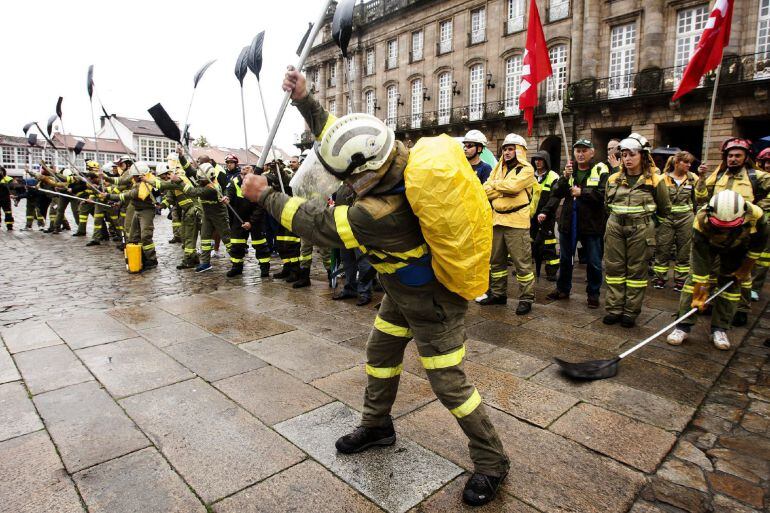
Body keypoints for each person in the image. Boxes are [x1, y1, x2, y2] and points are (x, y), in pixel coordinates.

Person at [240, 67, 510, 506]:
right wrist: (306, 99)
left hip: (434, 303)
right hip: (402, 291)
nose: (343, 184)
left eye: (346, 179)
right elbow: (341, 139)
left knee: (450, 385)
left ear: (363, 174)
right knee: (380, 354)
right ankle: (377, 425)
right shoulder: (392, 156)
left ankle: (492, 461)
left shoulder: (375, 212)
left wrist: (265, 196)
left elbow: (316, 224)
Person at [667, 190, 767, 350]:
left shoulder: (757, 216)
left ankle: (720, 329)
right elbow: (700, 258)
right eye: (721, 226)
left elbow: (758, 245)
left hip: (738, 247)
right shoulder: (701, 220)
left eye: (730, 226)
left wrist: (746, 267)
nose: (725, 230)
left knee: (731, 286)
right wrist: (701, 287)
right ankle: (683, 326)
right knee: (694, 282)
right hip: (709, 246)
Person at [694, 137, 770, 327]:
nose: (733, 159)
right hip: (718, 230)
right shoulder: (718, 176)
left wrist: (757, 208)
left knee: (742, 274)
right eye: (730, 155)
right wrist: (702, 178)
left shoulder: (756, 176)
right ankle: (710, 301)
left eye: (738, 155)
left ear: (746, 157)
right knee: (712, 271)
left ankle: (741, 309)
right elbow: (702, 197)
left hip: (744, 232)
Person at [603, 133, 671, 327]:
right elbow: (607, 205)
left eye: (631, 154)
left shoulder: (656, 181)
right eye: (624, 155)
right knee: (614, 269)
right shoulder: (614, 178)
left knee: (636, 271)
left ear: (643, 155)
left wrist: (648, 225)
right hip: (615, 226)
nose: (627, 158)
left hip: (640, 228)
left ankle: (630, 312)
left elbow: (664, 209)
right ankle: (614, 309)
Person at [542, 140, 610, 308]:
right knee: (565, 259)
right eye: (578, 151)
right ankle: (562, 288)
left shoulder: (600, 169)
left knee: (594, 261)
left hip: (591, 223)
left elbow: (604, 194)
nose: (580, 154)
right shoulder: (569, 171)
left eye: (584, 151)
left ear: (592, 152)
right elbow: (556, 191)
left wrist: (583, 192)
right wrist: (565, 178)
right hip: (569, 222)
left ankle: (593, 294)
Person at [476, 134, 536, 314]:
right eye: (505, 149)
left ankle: (526, 298)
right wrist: (502, 188)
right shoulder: (497, 168)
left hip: (517, 222)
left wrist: (497, 186)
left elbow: (514, 187)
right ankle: (498, 294)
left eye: (511, 149)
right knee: (496, 262)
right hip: (497, 220)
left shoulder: (526, 169)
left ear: (520, 151)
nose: (507, 152)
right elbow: (484, 190)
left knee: (522, 264)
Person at [101, 162, 162, 269]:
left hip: (146, 212)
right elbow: (122, 182)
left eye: (134, 175)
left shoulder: (146, 185)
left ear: (139, 176)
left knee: (145, 236)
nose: (132, 177)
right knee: (134, 236)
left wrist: (109, 196)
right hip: (137, 210)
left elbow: (128, 195)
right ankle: (140, 256)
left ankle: (152, 259)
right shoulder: (137, 182)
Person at [175, 157, 232, 273]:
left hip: (219, 215)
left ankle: (237, 259)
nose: (199, 181)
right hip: (207, 215)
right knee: (205, 239)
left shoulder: (212, 188)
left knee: (227, 239)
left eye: (202, 180)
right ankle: (205, 263)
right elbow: (190, 170)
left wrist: (179, 181)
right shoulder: (205, 176)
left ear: (210, 177)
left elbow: (193, 192)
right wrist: (181, 156)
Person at [652, 151, 698, 291]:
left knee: (684, 250)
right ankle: (660, 278)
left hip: (686, 218)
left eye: (690, 163)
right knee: (662, 249)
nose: (689, 165)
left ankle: (681, 279)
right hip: (667, 218)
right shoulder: (662, 178)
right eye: (686, 162)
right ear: (677, 162)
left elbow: (697, 199)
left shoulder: (693, 178)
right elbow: (657, 199)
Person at [223, 164, 271, 278]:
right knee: (236, 244)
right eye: (242, 173)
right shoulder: (235, 181)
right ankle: (236, 267)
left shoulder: (259, 183)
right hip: (238, 218)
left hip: (256, 220)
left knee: (260, 244)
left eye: (247, 173)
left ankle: (264, 268)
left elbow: (261, 206)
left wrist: (252, 222)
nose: (244, 175)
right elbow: (229, 192)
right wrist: (227, 198)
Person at [530, 151, 560, 281]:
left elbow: (555, 197)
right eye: (536, 159)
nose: (538, 162)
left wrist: (545, 212)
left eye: (540, 159)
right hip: (531, 216)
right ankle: (529, 271)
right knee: (530, 244)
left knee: (548, 244)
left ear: (546, 161)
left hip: (546, 216)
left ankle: (551, 272)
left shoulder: (553, 176)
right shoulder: (531, 176)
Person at [751, 147, 770, 300]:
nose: (768, 165)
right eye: (766, 162)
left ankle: (755, 287)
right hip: (753, 221)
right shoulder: (755, 178)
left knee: (763, 258)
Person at [0, 166, 14, 230]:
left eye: (1, 171)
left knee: (8, 212)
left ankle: (9, 225)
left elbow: (12, 187)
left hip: (5, 198)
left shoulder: (8, 179)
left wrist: (5, 185)